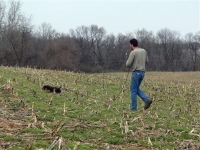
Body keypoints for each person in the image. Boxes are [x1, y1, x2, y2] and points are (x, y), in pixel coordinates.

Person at [126, 38, 152, 111]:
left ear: (131, 44)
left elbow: (128, 64)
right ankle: (146, 100)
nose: (129, 46)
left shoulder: (133, 52)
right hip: (142, 73)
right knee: (136, 89)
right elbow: (147, 61)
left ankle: (133, 108)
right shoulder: (143, 51)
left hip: (136, 73)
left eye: (130, 44)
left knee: (133, 90)